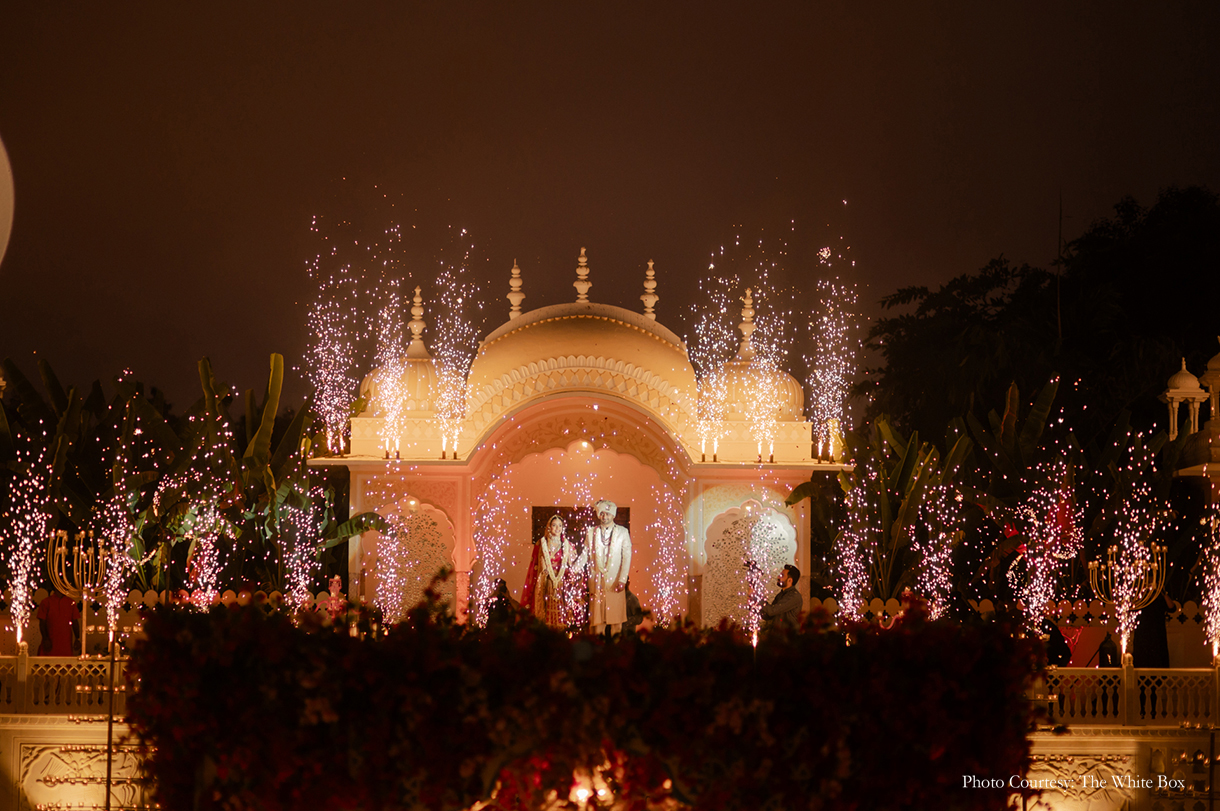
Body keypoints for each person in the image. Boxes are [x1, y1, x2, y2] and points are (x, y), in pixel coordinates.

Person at [521, 515, 586, 628]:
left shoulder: (568, 545)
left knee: (562, 610)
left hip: (563, 584)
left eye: (560, 525)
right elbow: (538, 563)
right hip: (547, 581)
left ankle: (561, 633)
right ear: (549, 527)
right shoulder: (542, 543)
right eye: (554, 525)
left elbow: (573, 565)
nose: (557, 528)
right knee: (547, 607)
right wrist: (545, 571)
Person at [586, 500, 631, 637]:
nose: (605, 517)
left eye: (608, 514)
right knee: (598, 622)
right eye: (602, 514)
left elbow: (627, 556)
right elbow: (586, 554)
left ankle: (616, 653)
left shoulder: (622, 532)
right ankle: (598, 652)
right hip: (597, 581)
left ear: (613, 515)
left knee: (616, 622)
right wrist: (573, 569)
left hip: (615, 581)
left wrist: (623, 579)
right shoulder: (591, 532)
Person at [36, 590, 80, 656]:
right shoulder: (46, 602)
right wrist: (45, 639)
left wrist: (77, 639)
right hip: (50, 643)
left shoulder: (71, 602)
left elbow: (75, 622)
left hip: (66, 644)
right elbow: (42, 623)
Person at [760, 564, 802, 630]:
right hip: (779, 637)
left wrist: (759, 600)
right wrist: (755, 607)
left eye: (782, 575)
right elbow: (769, 615)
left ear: (790, 580)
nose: (778, 577)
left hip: (789, 638)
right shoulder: (781, 595)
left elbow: (772, 611)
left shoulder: (794, 596)